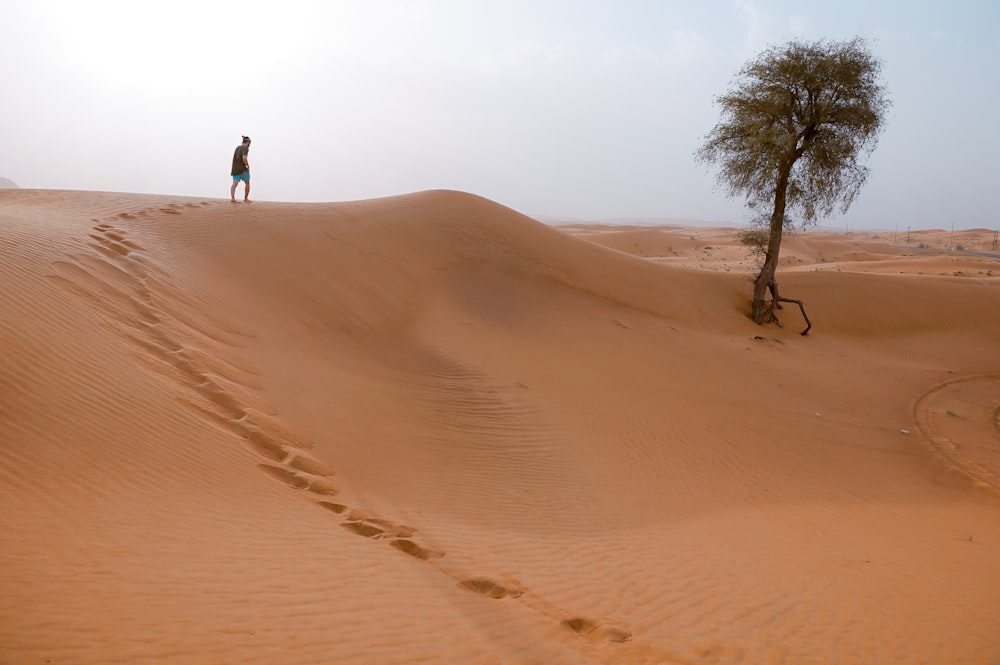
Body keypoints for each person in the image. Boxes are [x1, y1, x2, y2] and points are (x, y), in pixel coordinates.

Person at [230, 136, 251, 202]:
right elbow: (244, 157)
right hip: (242, 169)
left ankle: (233, 198)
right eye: (249, 143)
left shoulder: (237, 148)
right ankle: (246, 198)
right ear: (247, 142)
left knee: (234, 184)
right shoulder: (245, 148)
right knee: (247, 182)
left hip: (235, 169)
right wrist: (247, 166)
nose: (249, 145)